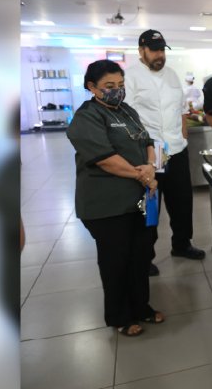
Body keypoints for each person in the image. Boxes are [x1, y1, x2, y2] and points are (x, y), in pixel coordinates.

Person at [67, 59, 165, 337]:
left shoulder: (127, 111)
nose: (116, 91)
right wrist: (143, 175)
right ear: (92, 87)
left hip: (139, 199)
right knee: (116, 260)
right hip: (106, 204)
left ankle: (142, 307)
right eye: (109, 86)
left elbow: (148, 141)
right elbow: (106, 160)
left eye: (120, 85)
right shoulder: (87, 117)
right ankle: (120, 316)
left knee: (140, 256)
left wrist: (150, 165)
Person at [125, 29, 206, 277]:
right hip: (152, 151)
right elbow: (126, 115)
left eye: (162, 50)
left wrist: (182, 134)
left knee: (182, 201)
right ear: (141, 51)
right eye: (154, 50)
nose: (159, 55)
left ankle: (182, 244)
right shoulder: (130, 76)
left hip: (176, 148)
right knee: (151, 205)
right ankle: (145, 255)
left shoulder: (171, 75)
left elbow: (181, 107)